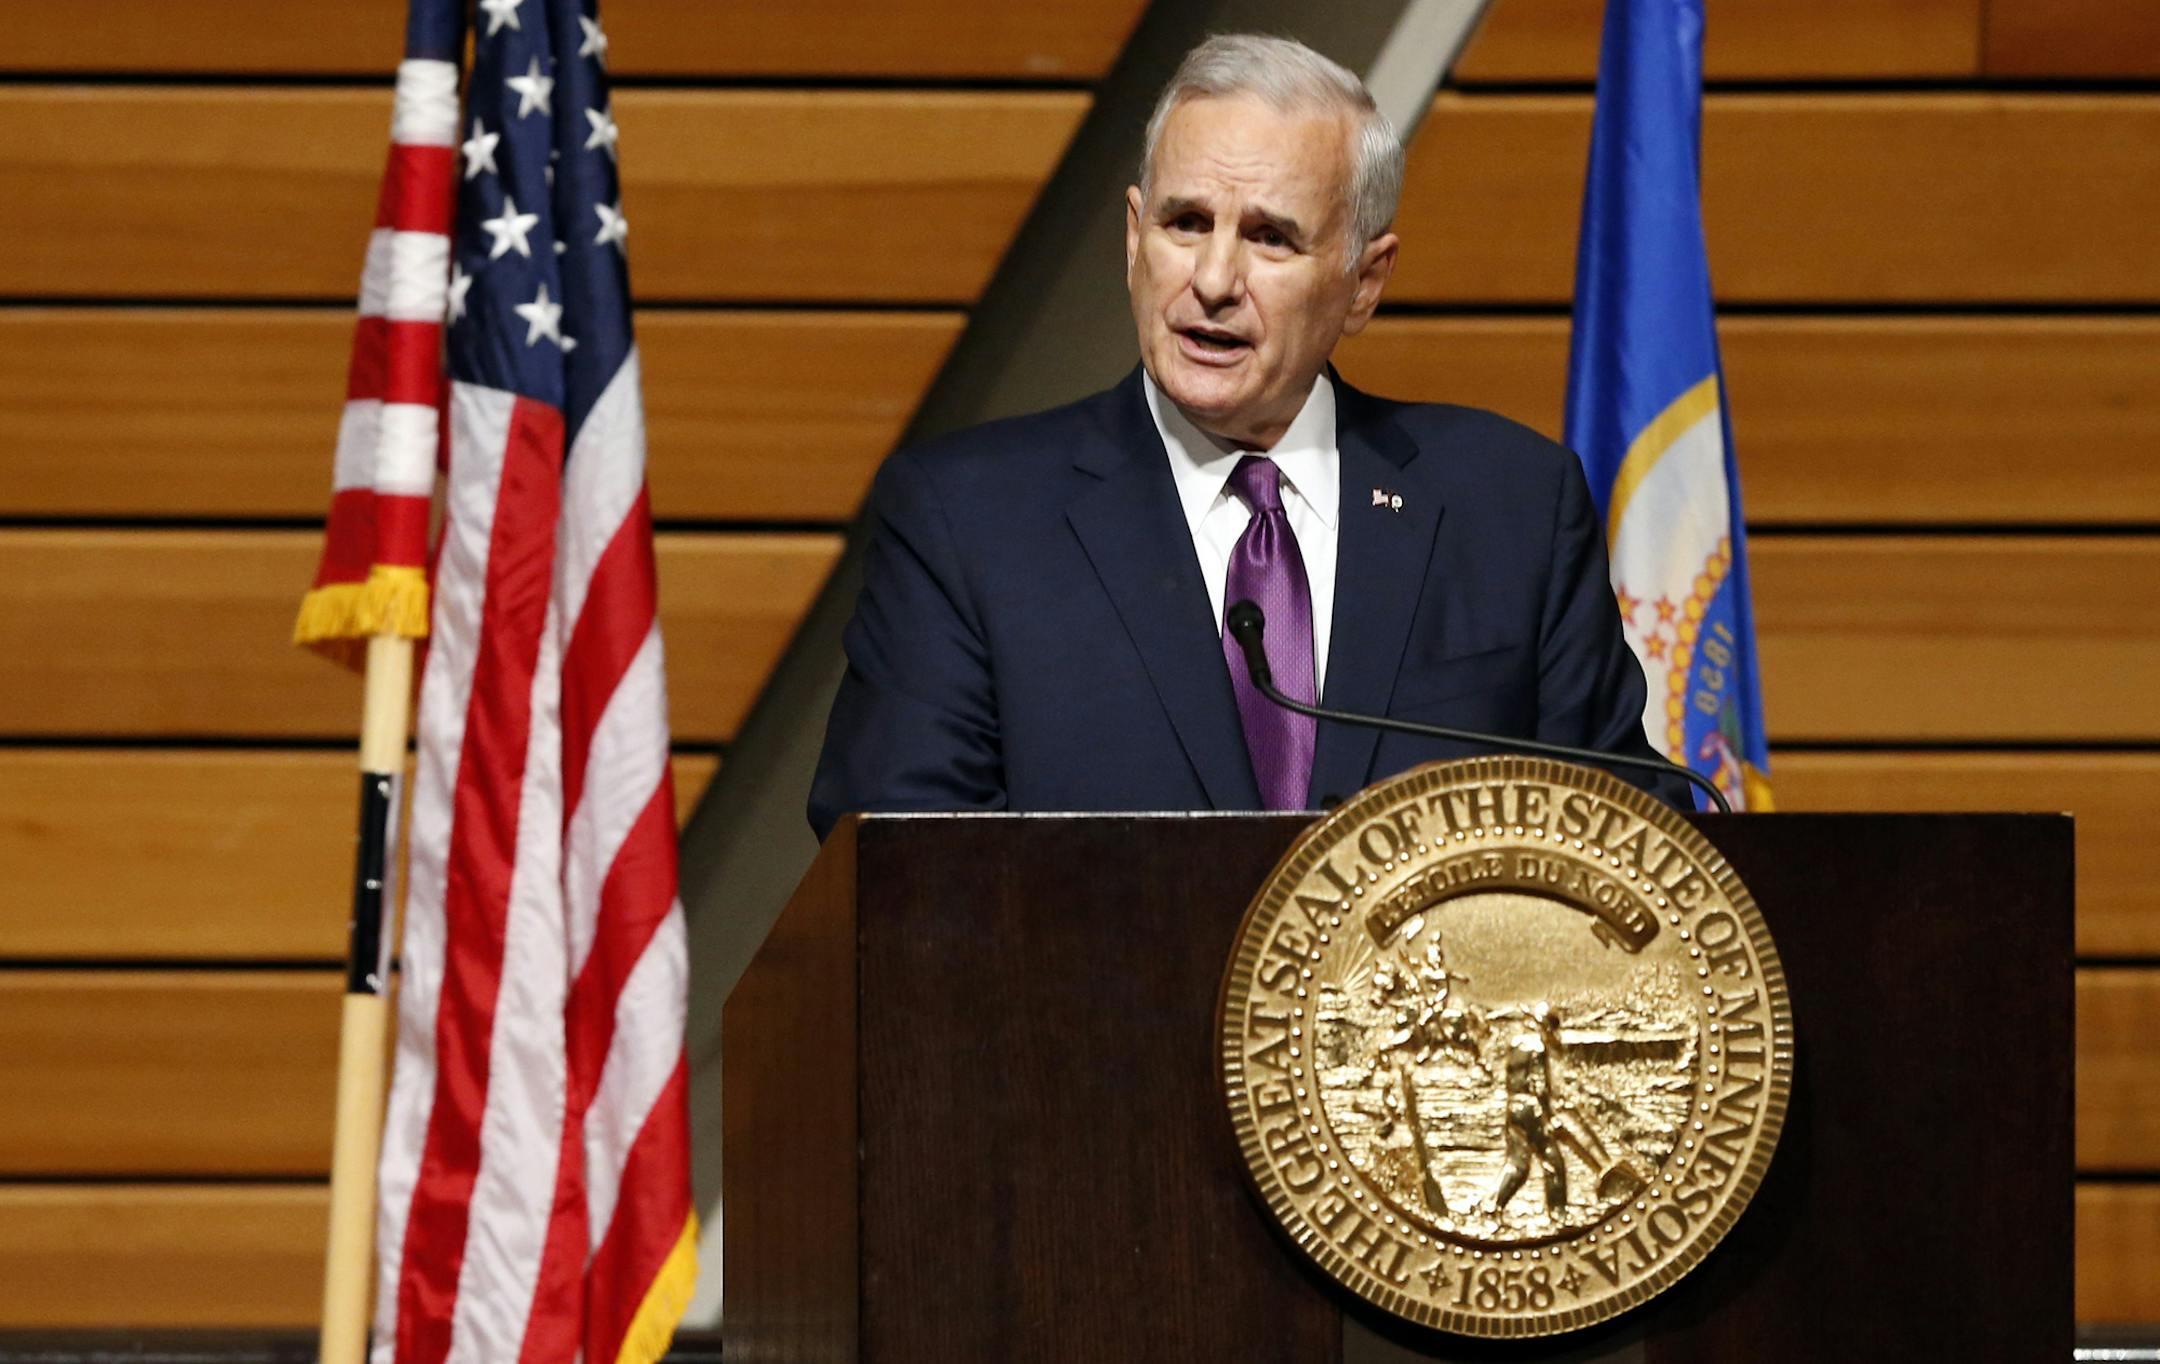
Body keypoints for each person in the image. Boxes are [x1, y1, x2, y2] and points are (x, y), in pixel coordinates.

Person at [808, 33, 1683, 840]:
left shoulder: (1512, 507)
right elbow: (896, 876)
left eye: (1270, 238)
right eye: (1186, 223)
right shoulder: (968, 521)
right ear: (1132, 237)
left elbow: (1630, 840)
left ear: (1364, 281)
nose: (1215, 280)